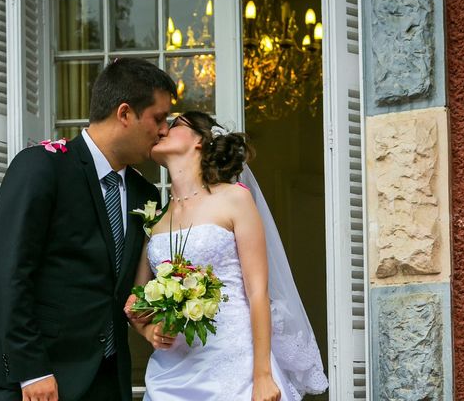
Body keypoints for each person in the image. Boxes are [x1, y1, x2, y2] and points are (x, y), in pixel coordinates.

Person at [0, 57, 177, 401]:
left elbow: (126, 287)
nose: (164, 130)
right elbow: (8, 272)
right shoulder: (42, 166)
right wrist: (33, 370)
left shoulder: (146, 194)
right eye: (159, 119)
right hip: (39, 375)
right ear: (125, 113)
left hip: (107, 376)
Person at [126, 111, 328, 400]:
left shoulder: (235, 198)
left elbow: (258, 293)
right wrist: (149, 332)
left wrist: (262, 375)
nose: (162, 130)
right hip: (171, 373)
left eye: (174, 125)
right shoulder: (156, 218)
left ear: (200, 141)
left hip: (236, 365)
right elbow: (135, 300)